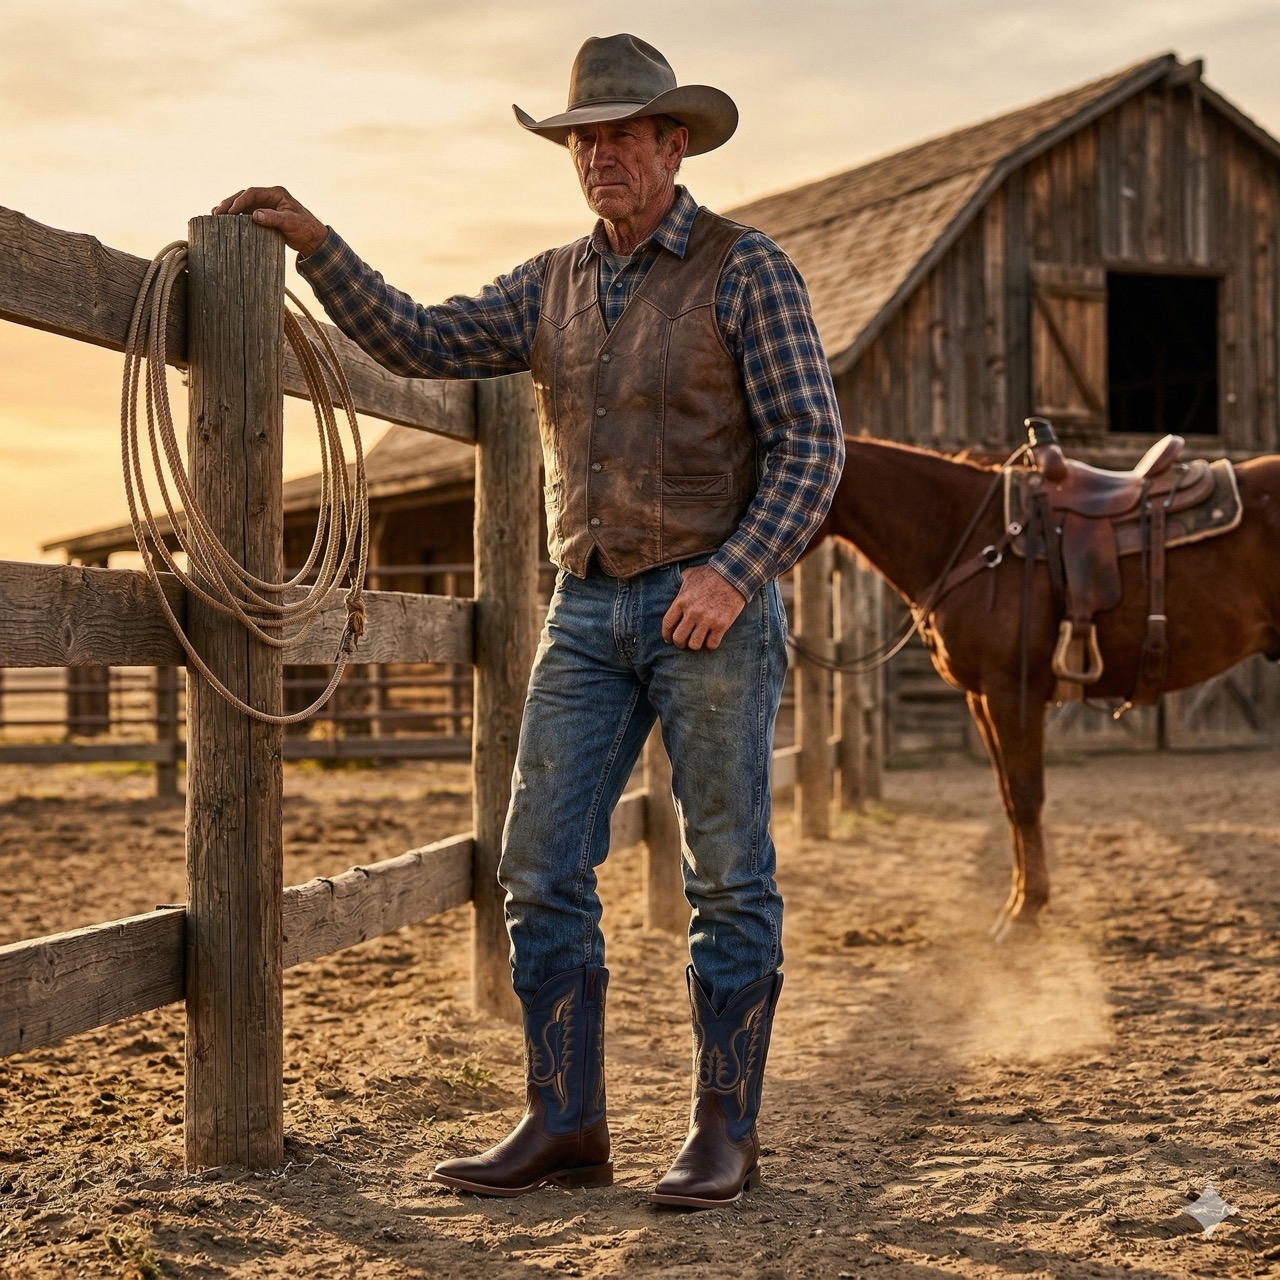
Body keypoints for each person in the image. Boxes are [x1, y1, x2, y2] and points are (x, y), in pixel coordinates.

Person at [215, 32, 843, 1209]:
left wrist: (733, 573)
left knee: (725, 871)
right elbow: (420, 337)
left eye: (622, 135)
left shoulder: (745, 268)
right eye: (581, 139)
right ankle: (566, 1120)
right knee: (537, 861)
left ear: (673, 142)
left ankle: (725, 1129)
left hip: (710, 604)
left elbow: (812, 443)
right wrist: (317, 244)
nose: (600, 155)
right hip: (585, 605)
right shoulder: (548, 282)